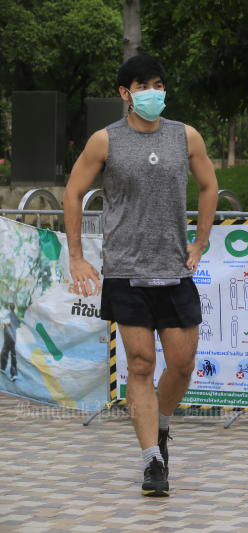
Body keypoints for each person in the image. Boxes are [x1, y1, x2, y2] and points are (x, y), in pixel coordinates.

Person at [63, 55, 218, 497]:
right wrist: (76, 257)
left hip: (174, 268)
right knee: (141, 365)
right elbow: (73, 192)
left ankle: (162, 426)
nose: (153, 92)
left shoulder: (184, 136)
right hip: (125, 271)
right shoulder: (104, 141)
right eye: (143, 85)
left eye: (159, 84)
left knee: (183, 363)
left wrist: (200, 239)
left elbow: (209, 185)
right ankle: (152, 459)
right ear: (124, 93)